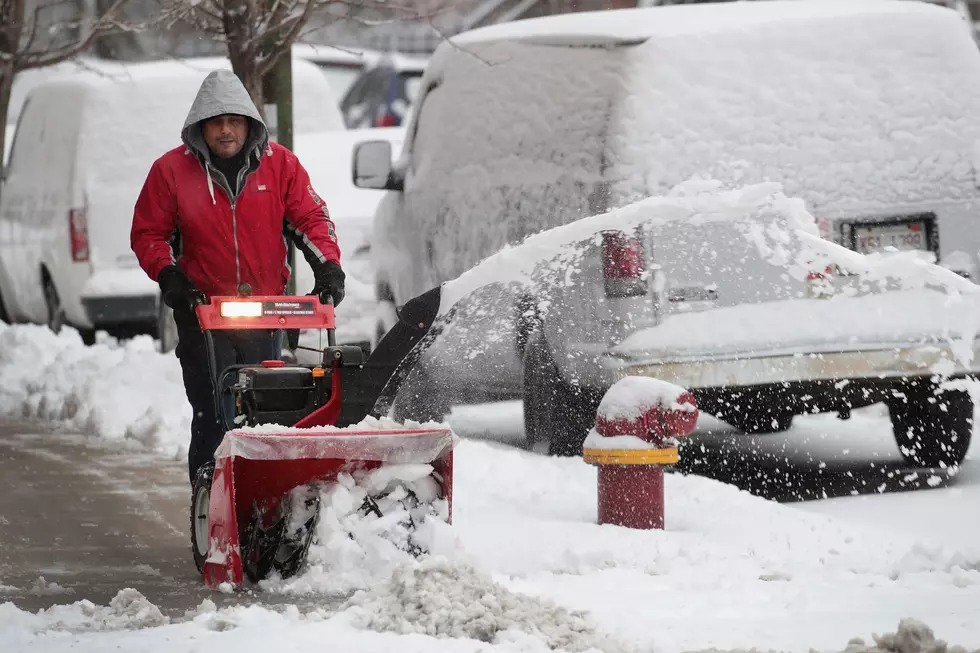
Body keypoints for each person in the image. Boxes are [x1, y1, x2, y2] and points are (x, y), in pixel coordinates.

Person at [130, 69, 345, 483]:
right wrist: (171, 277)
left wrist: (328, 267)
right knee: (214, 415)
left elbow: (311, 217)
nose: (226, 130)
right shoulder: (171, 172)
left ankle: (263, 500)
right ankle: (211, 506)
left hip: (266, 313)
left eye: (234, 121)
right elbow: (149, 233)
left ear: (249, 123)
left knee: (268, 410)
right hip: (202, 316)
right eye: (216, 122)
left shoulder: (280, 165)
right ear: (201, 128)